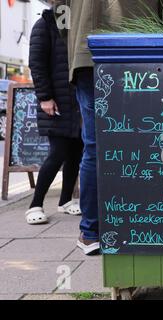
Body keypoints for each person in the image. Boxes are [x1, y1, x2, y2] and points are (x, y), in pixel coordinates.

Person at [67, 0, 163, 255]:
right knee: (144, 139)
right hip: (142, 53)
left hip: (86, 54)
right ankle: (141, 225)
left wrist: (73, 44)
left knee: (95, 145)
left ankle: (91, 233)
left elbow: (60, 13)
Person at [26, 8, 83, 225]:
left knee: (76, 152)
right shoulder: (44, 25)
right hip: (57, 101)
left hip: (77, 101)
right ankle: (35, 204)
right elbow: (37, 64)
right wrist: (45, 97)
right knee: (58, 152)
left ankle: (66, 201)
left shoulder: (77, 25)